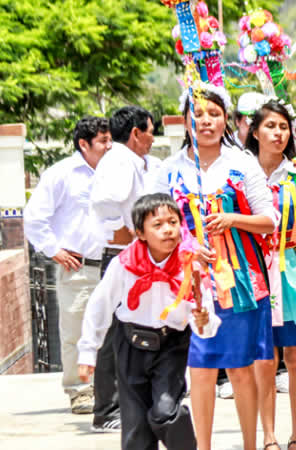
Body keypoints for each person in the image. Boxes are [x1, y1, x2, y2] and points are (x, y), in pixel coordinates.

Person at [148, 84, 277, 450]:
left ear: (227, 121)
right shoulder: (168, 170)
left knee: (239, 367)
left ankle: (251, 444)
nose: (206, 121)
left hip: (238, 281)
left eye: (214, 114)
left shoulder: (242, 163)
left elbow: (270, 220)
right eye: (198, 114)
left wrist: (233, 219)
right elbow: (150, 222)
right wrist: (185, 245)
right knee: (200, 369)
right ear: (186, 121)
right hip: (187, 284)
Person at [77, 193, 220, 450]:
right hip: (130, 344)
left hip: (171, 345)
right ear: (140, 233)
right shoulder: (124, 264)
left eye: (173, 222)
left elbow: (203, 311)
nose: (168, 230)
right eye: (158, 225)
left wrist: (204, 320)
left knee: (165, 412)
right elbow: (100, 305)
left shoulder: (190, 264)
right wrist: (88, 351)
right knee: (136, 431)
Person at [245, 97, 296, 450]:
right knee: (264, 358)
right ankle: (268, 436)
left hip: (291, 270)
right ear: (254, 132)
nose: (277, 133)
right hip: (251, 272)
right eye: (270, 126)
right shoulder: (239, 173)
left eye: (283, 127)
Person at [23, 116, 112, 415]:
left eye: (110, 139)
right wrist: (54, 251)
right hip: (79, 267)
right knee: (76, 330)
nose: (109, 146)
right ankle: (79, 390)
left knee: (114, 330)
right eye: (103, 141)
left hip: (113, 264)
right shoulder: (61, 174)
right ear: (84, 144)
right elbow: (35, 218)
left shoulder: (116, 172)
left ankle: (112, 389)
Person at [89, 105, 159, 432]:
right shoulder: (119, 161)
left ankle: (128, 402)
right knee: (114, 333)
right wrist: (125, 231)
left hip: (134, 255)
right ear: (135, 134)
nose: (152, 137)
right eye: (150, 130)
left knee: (131, 329)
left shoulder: (131, 161)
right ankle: (107, 409)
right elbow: (104, 203)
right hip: (123, 257)